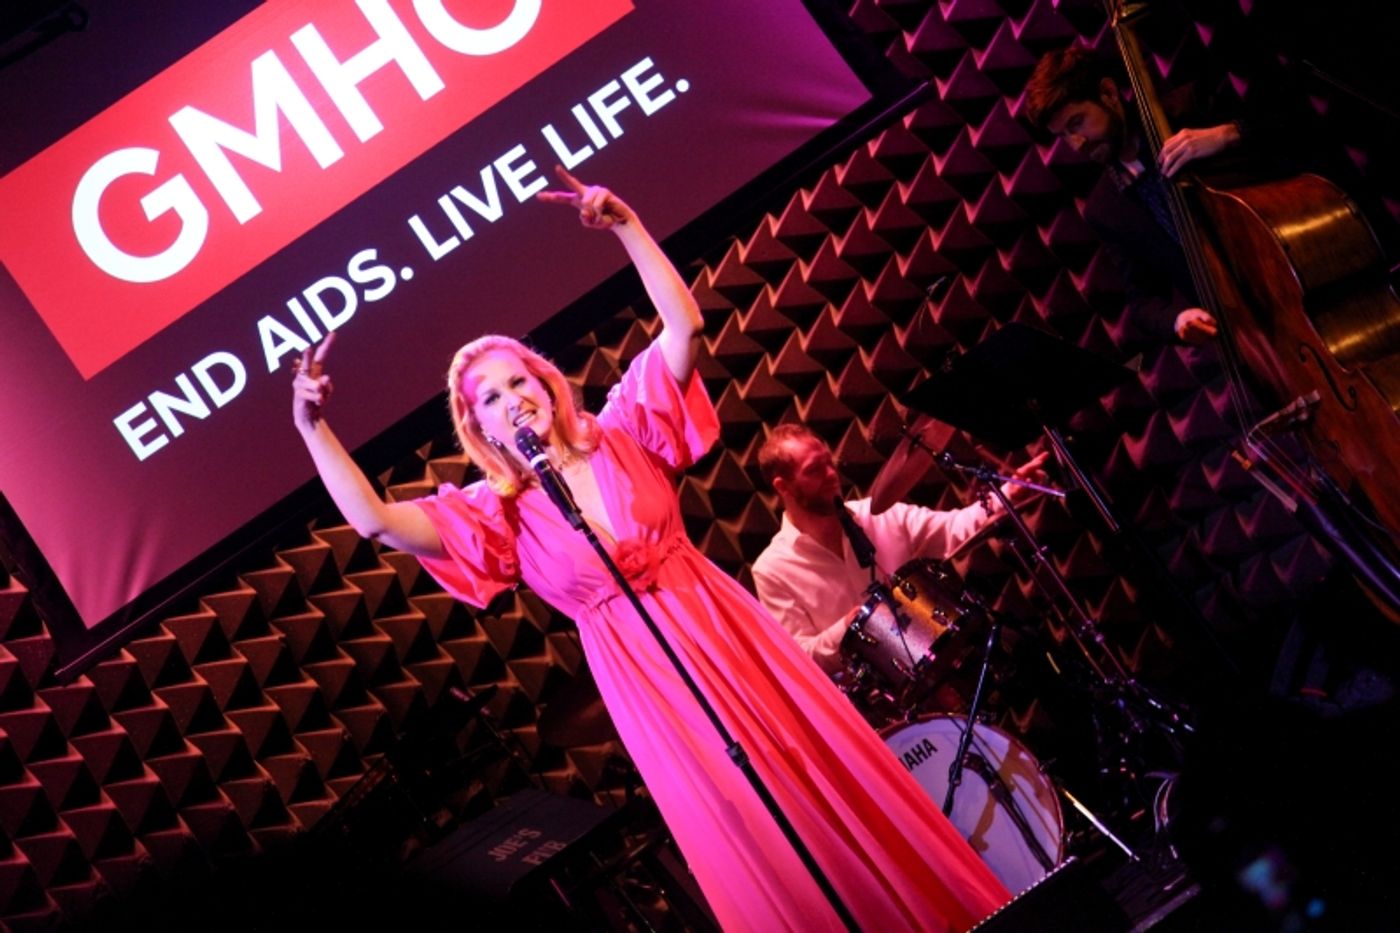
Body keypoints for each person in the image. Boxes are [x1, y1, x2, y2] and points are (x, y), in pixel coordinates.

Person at [292, 167, 1010, 932]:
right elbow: (373, 520)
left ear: (545, 382)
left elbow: (684, 329)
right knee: (746, 817)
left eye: (518, 379)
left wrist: (628, 227)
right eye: (490, 398)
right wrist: (313, 427)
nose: (512, 399)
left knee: (815, 764)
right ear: (480, 428)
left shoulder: (624, 427)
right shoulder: (493, 512)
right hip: (645, 676)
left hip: (723, 626)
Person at [752, 423, 1047, 677]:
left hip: (938, 667)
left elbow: (955, 528)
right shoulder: (772, 569)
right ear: (783, 487)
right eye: (814, 470)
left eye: (829, 462)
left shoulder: (878, 515)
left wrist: (1009, 494)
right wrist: (849, 627)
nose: (831, 474)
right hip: (875, 706)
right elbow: (800, 658)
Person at [1023, 46, 1240, 348]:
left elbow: (1292, 127)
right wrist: (1177, 320)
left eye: (1076, 122)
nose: (1076, 143)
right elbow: (1143, 301)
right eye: (1063, 135)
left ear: (1108, 93)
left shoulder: (1186, 111)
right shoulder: (1104, 209)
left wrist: (1230, 134)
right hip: (1241, 332)